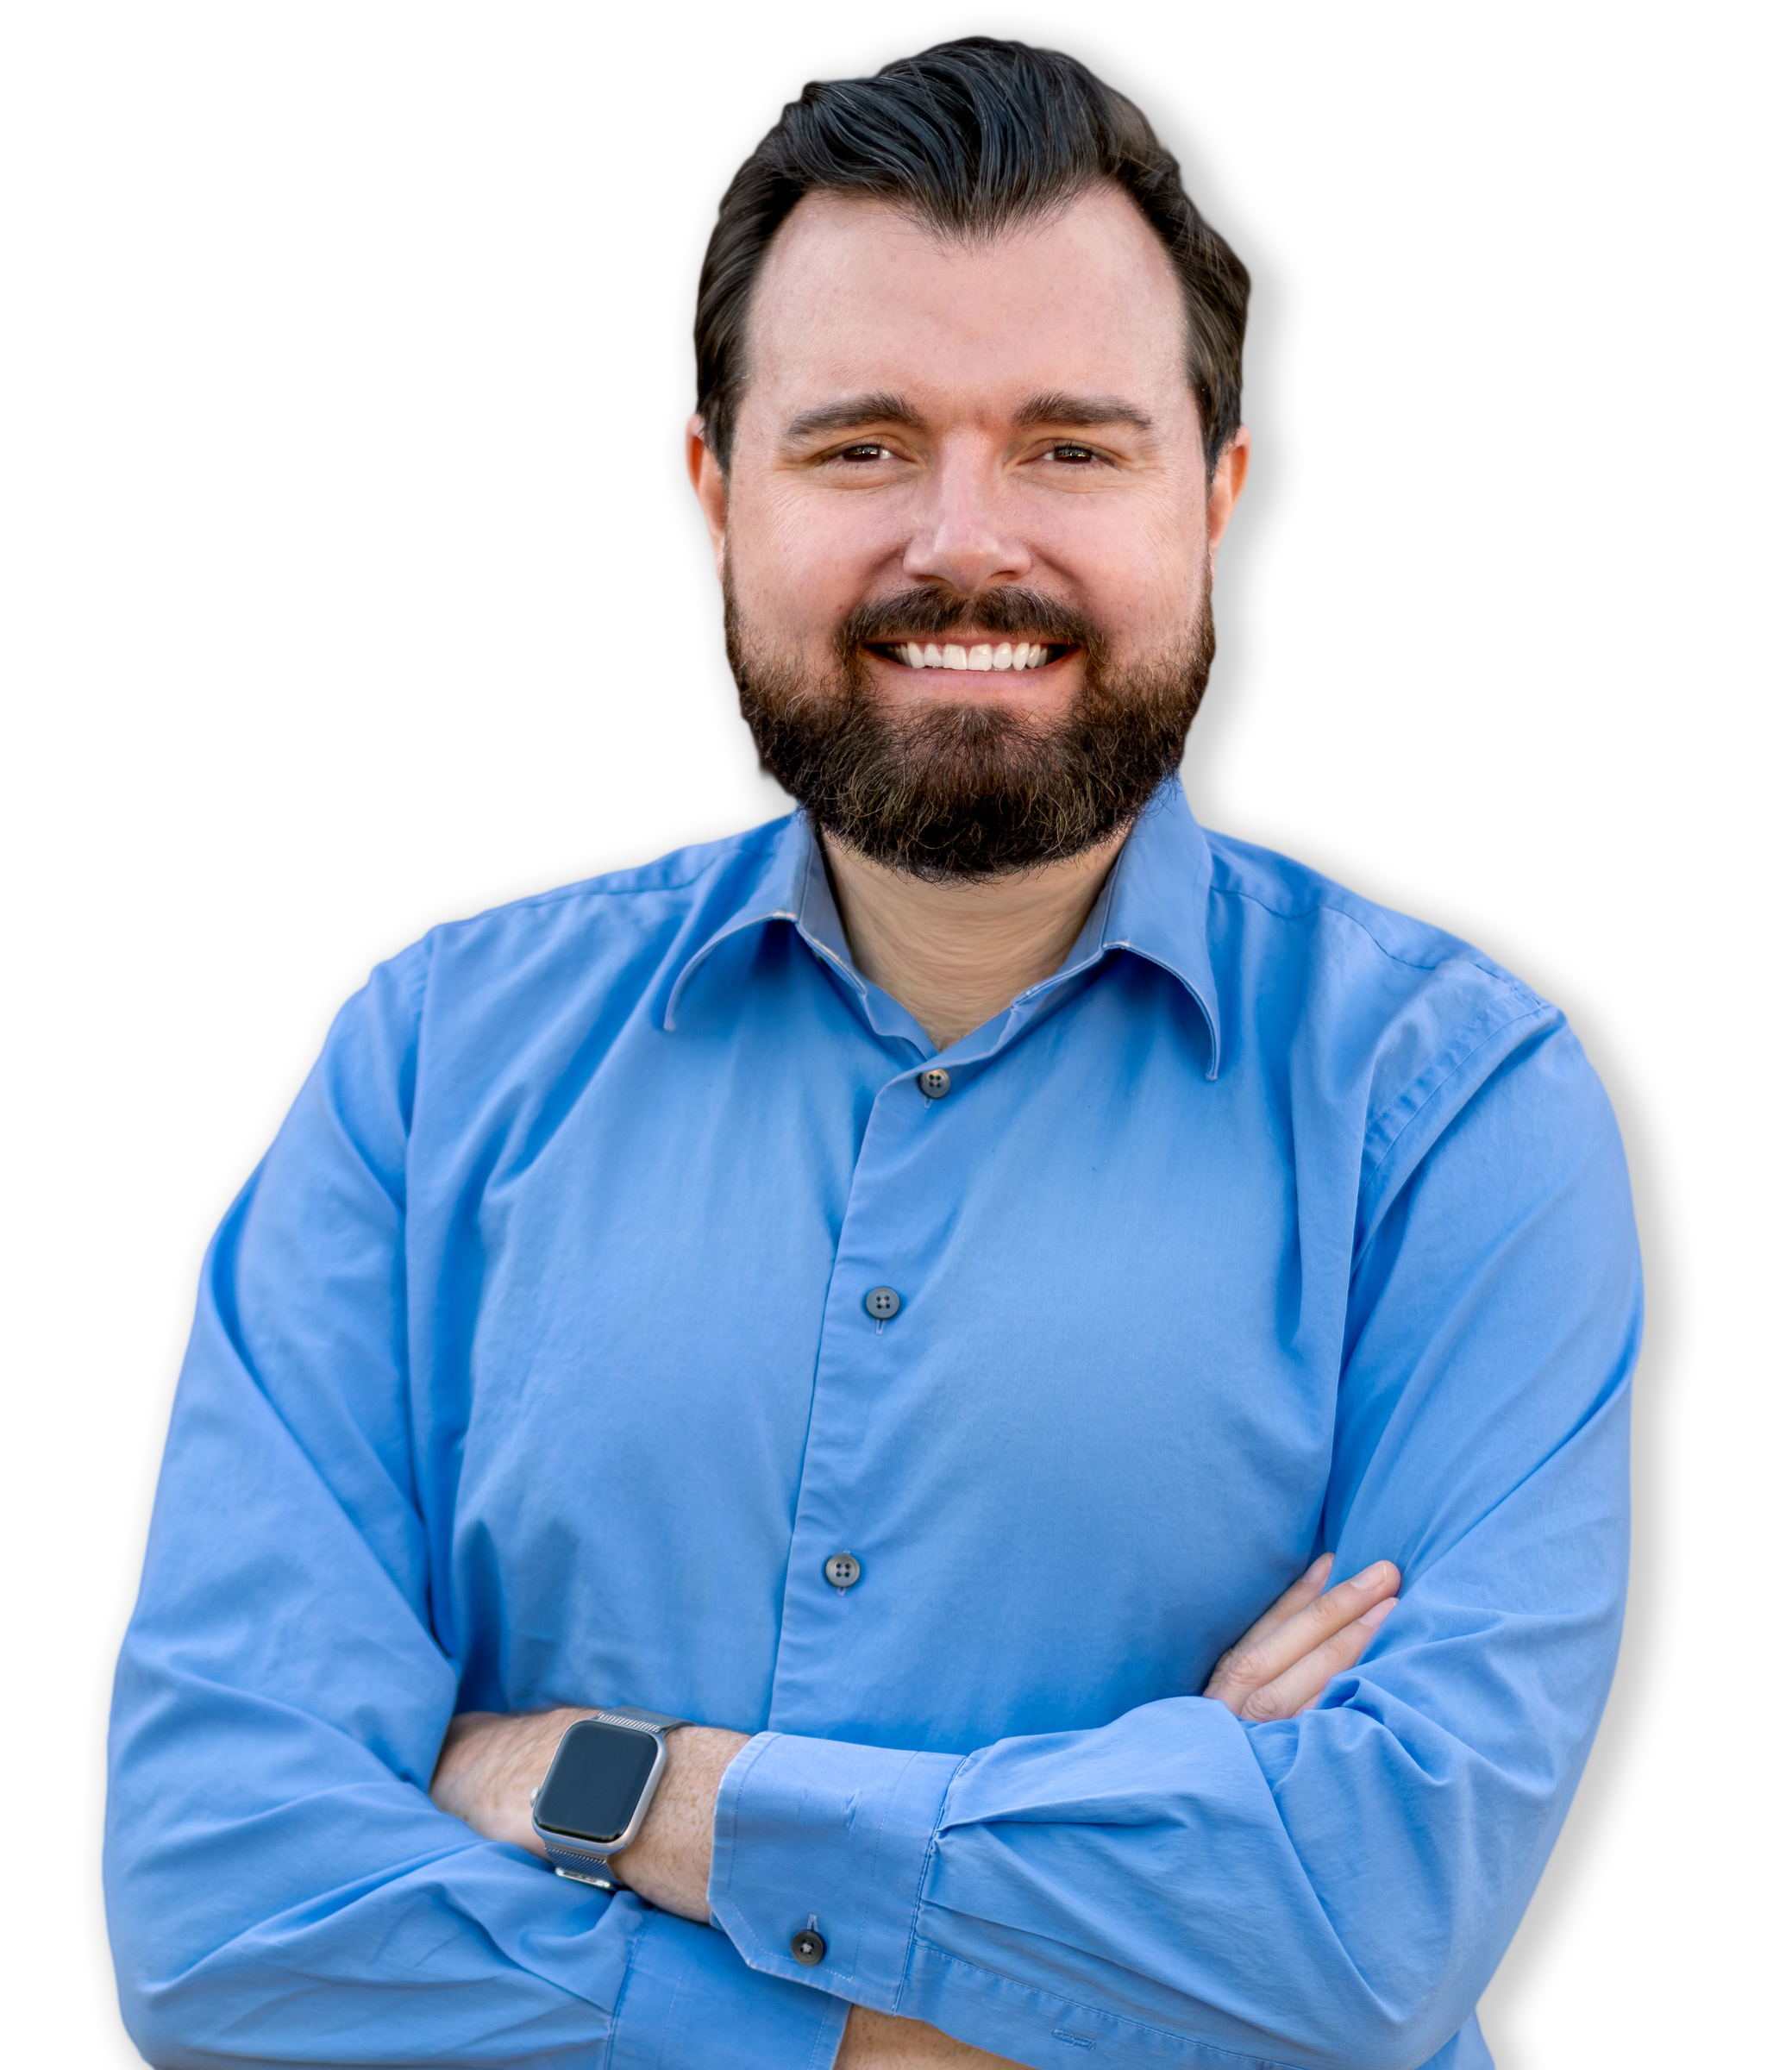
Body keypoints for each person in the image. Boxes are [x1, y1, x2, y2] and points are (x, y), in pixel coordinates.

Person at [103, 37, 1639, 2070]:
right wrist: (986, 2010)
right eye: (862, 448)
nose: (962, 543)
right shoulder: (429, 1072)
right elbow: (224, 1918)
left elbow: (1366, 1932)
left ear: (1220, 497)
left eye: (1072, 449)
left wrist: (620, 1795)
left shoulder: (1458, 1117)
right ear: (715, 498)